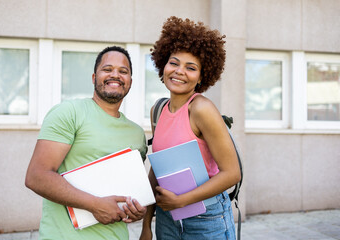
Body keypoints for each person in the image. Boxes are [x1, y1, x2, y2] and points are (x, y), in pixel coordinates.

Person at [25, 46, 148, 240]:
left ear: (130, 82)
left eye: (123, 71)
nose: (115, 75)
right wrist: (95, 205)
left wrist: (136, 211)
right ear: (94, 78)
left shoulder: (137, 134)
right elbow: (36, 176)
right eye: (107, 69)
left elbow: (130, 191)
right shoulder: (69, 112)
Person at [140, 16, 241, 240]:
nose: (179, 71)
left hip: (206, 218)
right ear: (163, 64)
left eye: (191, 67)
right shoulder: (158, 110)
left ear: (201, 77)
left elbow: (232, 173)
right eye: (174, 63)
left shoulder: (201, 109)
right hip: (167, 216)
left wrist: (182, 200)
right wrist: (146, 225)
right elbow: (158, 169)